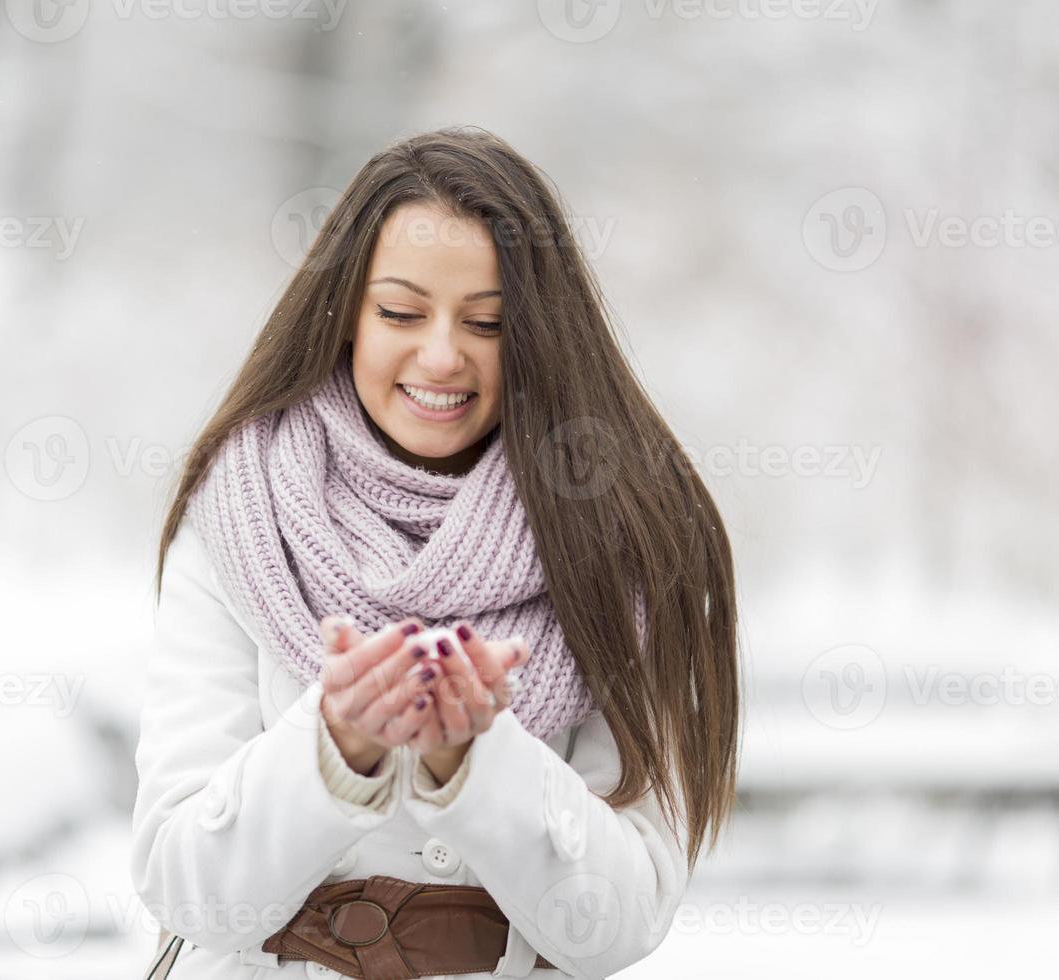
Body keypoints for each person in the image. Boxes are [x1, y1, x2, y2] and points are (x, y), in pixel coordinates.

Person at [131, 126, 740, 980]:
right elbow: (182, 884)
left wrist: (478, 762)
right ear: (344, 314)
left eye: (487, 322)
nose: (443, 354)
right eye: (401, 312)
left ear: (540, 334)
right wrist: (334, 750)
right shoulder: (243, 511)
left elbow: (622, 918)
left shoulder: (627, 539)